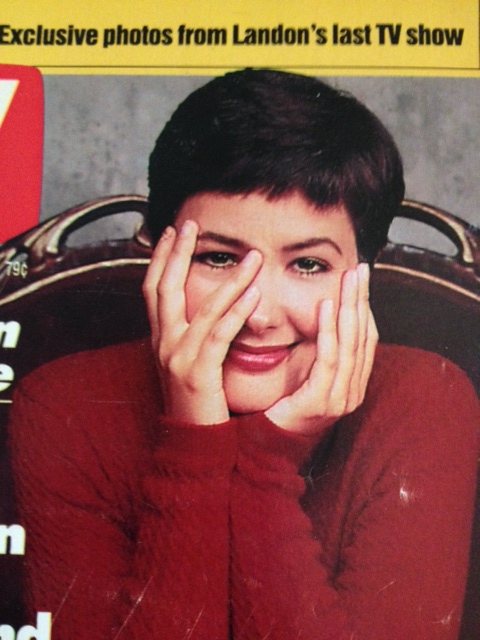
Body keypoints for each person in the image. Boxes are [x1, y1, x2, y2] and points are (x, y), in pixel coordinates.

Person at [8, 70, 478, 640]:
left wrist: (263, 465)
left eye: (308, 264)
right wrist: (195, 437)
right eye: (219, 258)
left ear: (363, 274)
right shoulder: (65, 406)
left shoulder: (424, 400)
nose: (258, 316)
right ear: (159, 257)